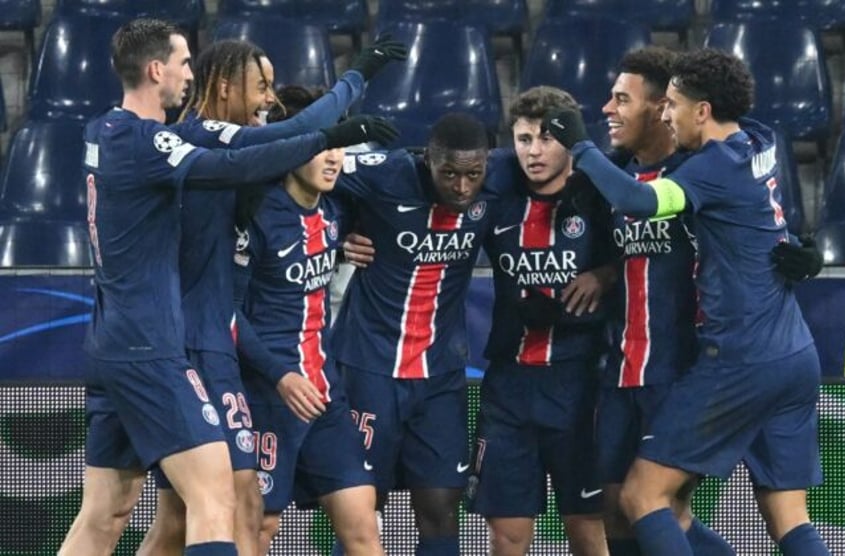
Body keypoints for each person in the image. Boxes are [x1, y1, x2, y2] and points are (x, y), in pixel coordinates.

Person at [59, 18, 397, 556]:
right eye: (184, 61)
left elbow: (265, 144)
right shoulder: (154, 141)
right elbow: (236, 161)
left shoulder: (106, 130)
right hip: (162, 346)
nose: (189, 71)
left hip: (121, 340)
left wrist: (347, 97)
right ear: (156, 70)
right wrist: (333, 130)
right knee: (220, 501)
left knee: (113, 513)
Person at [544, 48, 829, 556]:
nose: (667, 114)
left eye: (671, 103)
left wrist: (580, 146)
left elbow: (640, 202)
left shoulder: (706, 168)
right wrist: (795, 247)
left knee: (644, 497)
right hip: (791, 352)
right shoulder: (758, 140)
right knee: (787, 515)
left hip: (733, 358)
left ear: (699, 110)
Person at [330, 112, 514, 556]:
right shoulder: (385, 175)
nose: (463, 187)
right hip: (368, 367)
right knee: (361, 506)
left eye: (473, 174)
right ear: (426, 160)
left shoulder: (504, 175)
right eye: (449, 173)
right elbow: (310, 172)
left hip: (440, 378)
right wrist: (338, 235)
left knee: (440, 507)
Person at [232, 85, 386, 556]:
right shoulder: (254, 214)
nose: (334, 157)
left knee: (363, 525)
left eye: (340, 145)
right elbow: (226, 313)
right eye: (323, 144)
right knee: (258, 529)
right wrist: (279, 377)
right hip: (267, 395)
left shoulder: (336, 210)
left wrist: (341, 247)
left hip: (325, 393)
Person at [593, 46, 735, 556]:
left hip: (679, 373)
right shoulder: (608, 177)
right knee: (614, 509)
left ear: (660, 107)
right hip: (619, 370)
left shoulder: (699, 177)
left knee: (656, 507)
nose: (607, 110)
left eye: (620, 100)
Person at [463, 86, 612, 556]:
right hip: (508, 390)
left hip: (580, 385)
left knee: (588, 531)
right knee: (507, 536)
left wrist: (604, 275)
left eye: (546, 139)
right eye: (524, 139)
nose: (534, 151)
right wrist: (359, 238)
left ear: (570, 141)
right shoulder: (497, 201)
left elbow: (643, 260)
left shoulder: (601, 198)